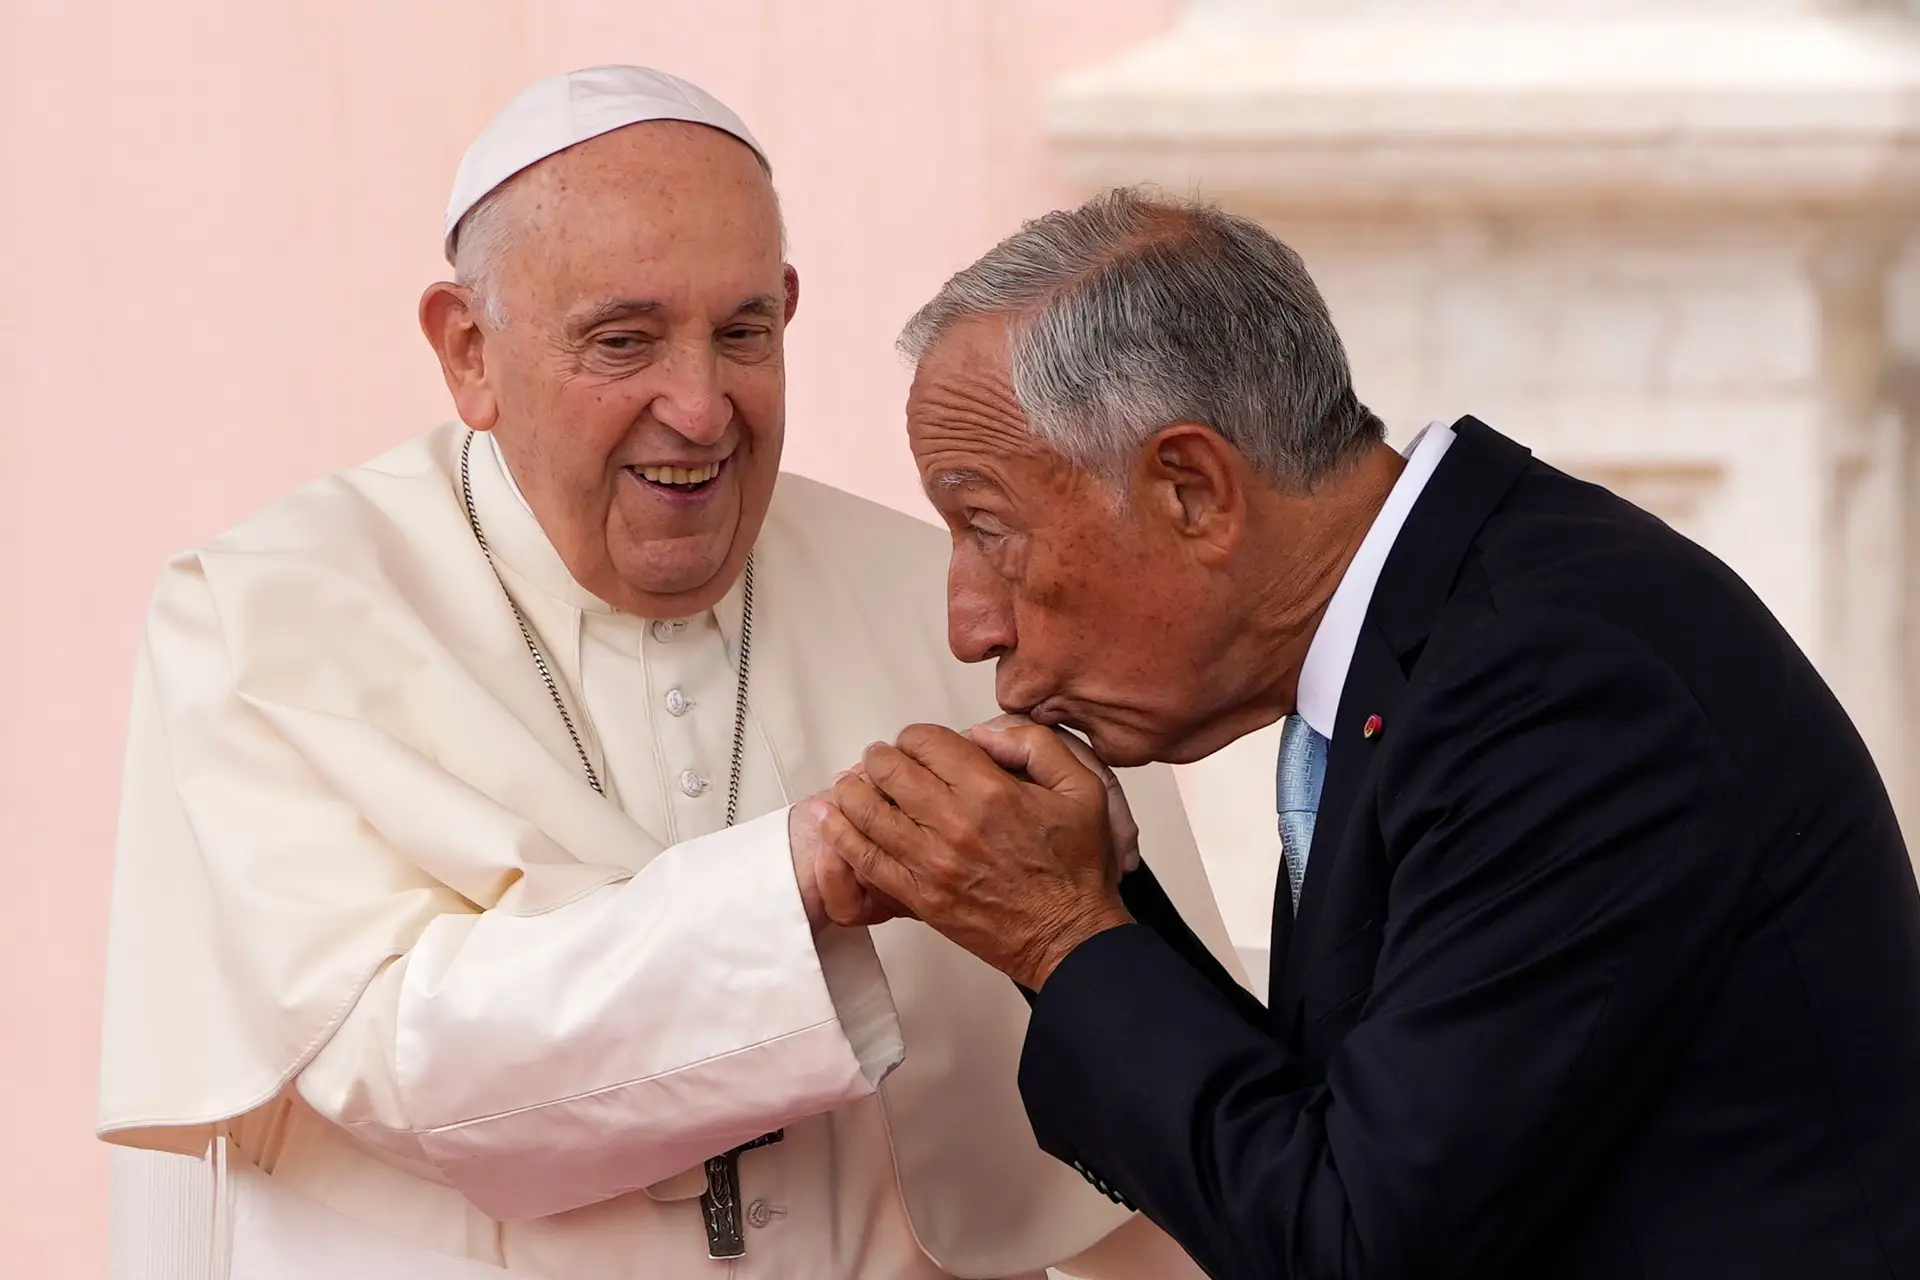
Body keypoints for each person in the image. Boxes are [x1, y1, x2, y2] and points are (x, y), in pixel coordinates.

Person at [94, 70, 1230, 1280]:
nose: (698, 407)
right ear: (468, 350)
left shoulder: (944, 604)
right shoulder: (268, 617)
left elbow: (1157, 1125)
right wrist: (809, 868)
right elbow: (398, 1059)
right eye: (623, 340)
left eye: (744, 332)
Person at [821, 187, 1920, 1279]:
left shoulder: (1555, 683)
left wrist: (1059, 931)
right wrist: (1091, 908)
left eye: (988, 529)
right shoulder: (1449, 628)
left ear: (1193, 489)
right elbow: (1325, 1133)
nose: (971, 625)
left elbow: (1354, 1242)